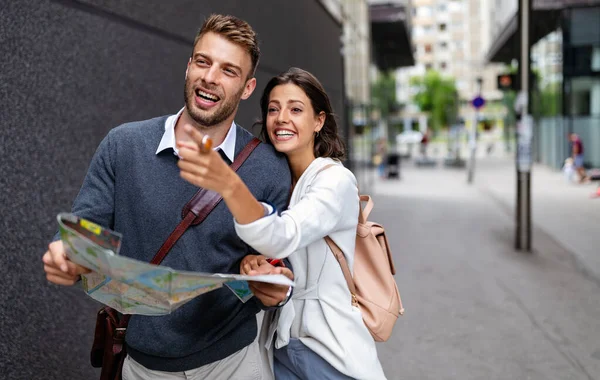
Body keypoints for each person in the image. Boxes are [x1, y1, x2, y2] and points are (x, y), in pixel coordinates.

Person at [42, 14, 294, 380]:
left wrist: (273, 288)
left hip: (233, 364)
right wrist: (66, 252)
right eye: (203, 62)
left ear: (247, 88)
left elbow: (278, 267)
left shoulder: (269, 168)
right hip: (143, 367)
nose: (210, 77)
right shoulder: (123, 145)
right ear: (189, 65)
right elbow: (87, 228)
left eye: (228, 70)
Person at [177, 67, 387, 379]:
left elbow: (283, 234)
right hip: (281, 348)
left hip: (328, 353)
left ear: (319, 120)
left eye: (296, 109)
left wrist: (229, 185)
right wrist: (254, 264)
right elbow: (279, 256)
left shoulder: (335, 181)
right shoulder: (280, 181)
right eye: (273, 109)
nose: (281, 118)